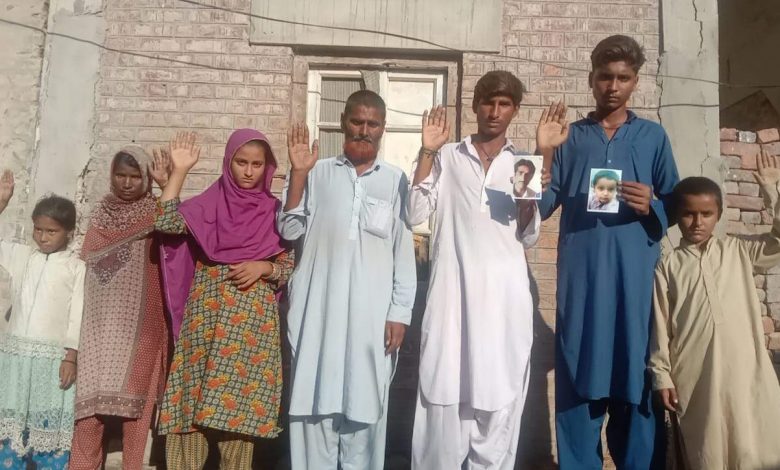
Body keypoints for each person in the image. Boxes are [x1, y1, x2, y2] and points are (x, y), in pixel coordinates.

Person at [538, 35, 679, 468]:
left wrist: (652, 205)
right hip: (582, 285)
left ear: (635, 82)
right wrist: (545, 153)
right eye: (605, 77)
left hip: (635, 286)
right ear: (591, 79)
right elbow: (538, 207)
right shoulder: (571, 138)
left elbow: (678, 204)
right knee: (578, 376)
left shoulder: (653, 137)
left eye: (623, 78)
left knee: (636, 376)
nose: (613, 86)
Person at [408, 70, 561, 469]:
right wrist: (427, 150)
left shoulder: (520, 162)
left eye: (504, 104)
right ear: (474, 106)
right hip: (451, 302)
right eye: (488, 102)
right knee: (442, 400)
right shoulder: (447, 156)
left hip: (502, 305)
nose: (494, 112)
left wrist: (543, 159)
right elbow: (414, 212)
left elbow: (528, 235)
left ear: (515, 110)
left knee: (498, 404)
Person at [278, 90, 416, 469]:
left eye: (372, 124)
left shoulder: (395, 180)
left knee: (365, 406)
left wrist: (400, 312)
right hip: (318, 316)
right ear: (343, 122)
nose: (363, 130)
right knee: (312, 407)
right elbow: (289, 230)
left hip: (371, 321)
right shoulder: (315, 172)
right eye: (357, 121)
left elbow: (403, 254)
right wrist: (299, 174)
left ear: (383, 129)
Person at [156, 130, 293, 469]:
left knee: (238, 422)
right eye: (241, 162)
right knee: (189, 412)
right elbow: (166, 221)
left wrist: (265, 267)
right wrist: (179, 171)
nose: (248, 171)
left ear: (267, 167)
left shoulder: (275, 212)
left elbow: (290, 265)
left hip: (250, 331)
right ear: (228, 162)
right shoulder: (210, 202)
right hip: (206, 319)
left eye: (257, 164)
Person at [650, 151, 780, 470]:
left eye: (706, 214)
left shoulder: (739, 251)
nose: (698, 222)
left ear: (718, 214)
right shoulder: (668, 265)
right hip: (695, 375)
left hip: (745, 369)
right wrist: (662, 375)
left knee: (752, 444)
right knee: (706, 449)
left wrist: (771, 191)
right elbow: (660, 327)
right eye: (689, 214)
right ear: (677, 215)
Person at [70, 147, 171, 470]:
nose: (127, 183)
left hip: (140, 328)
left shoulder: (157, 213)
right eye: (120, 175)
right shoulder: (100, 214)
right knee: (88, 410)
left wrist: (168, 185)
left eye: (135, 176)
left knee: (136, 410)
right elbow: (83, 266)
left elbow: (176, 230)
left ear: (146, 178)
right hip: (97, 328)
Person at [0, 172, 84, 470]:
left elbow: (77, 314)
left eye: (51, 231)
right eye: (38, 229)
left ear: (69, 232)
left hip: (52, 361)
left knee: (46, 424)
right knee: (12, 423)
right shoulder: (23, 257)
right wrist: (2, 203)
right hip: (17, 357)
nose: (43, 237)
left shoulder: (76, 267)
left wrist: (70, 357)